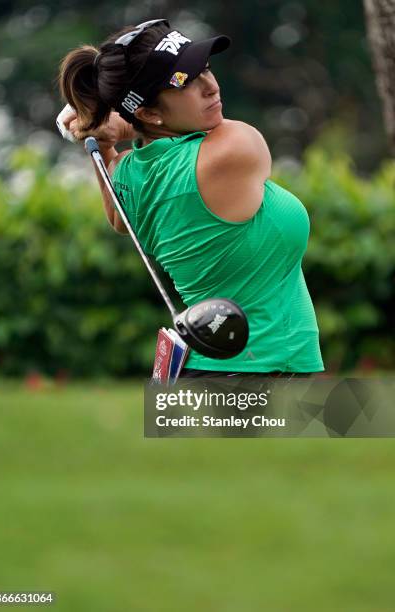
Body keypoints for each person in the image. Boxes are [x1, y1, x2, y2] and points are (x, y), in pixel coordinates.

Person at [58, 18, 324, 379]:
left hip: (207, 374)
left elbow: (119, 218)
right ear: (149, 112)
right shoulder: (231, 152)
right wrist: (122, 125)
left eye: (205, 69)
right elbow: (229, 135)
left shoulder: (129, 174)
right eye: (184, 82)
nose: (211, 87)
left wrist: (108, 138)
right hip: (260, 372)